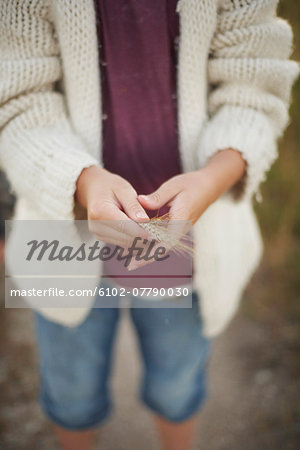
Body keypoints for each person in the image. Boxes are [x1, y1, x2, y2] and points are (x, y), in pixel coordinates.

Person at [0, 1, 298, 449]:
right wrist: (81, 181)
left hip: (184, 233)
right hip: (61, 224)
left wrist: (212, 177)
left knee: (176, 387)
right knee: (72, 392)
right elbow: (17, 98)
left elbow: (253, 91)